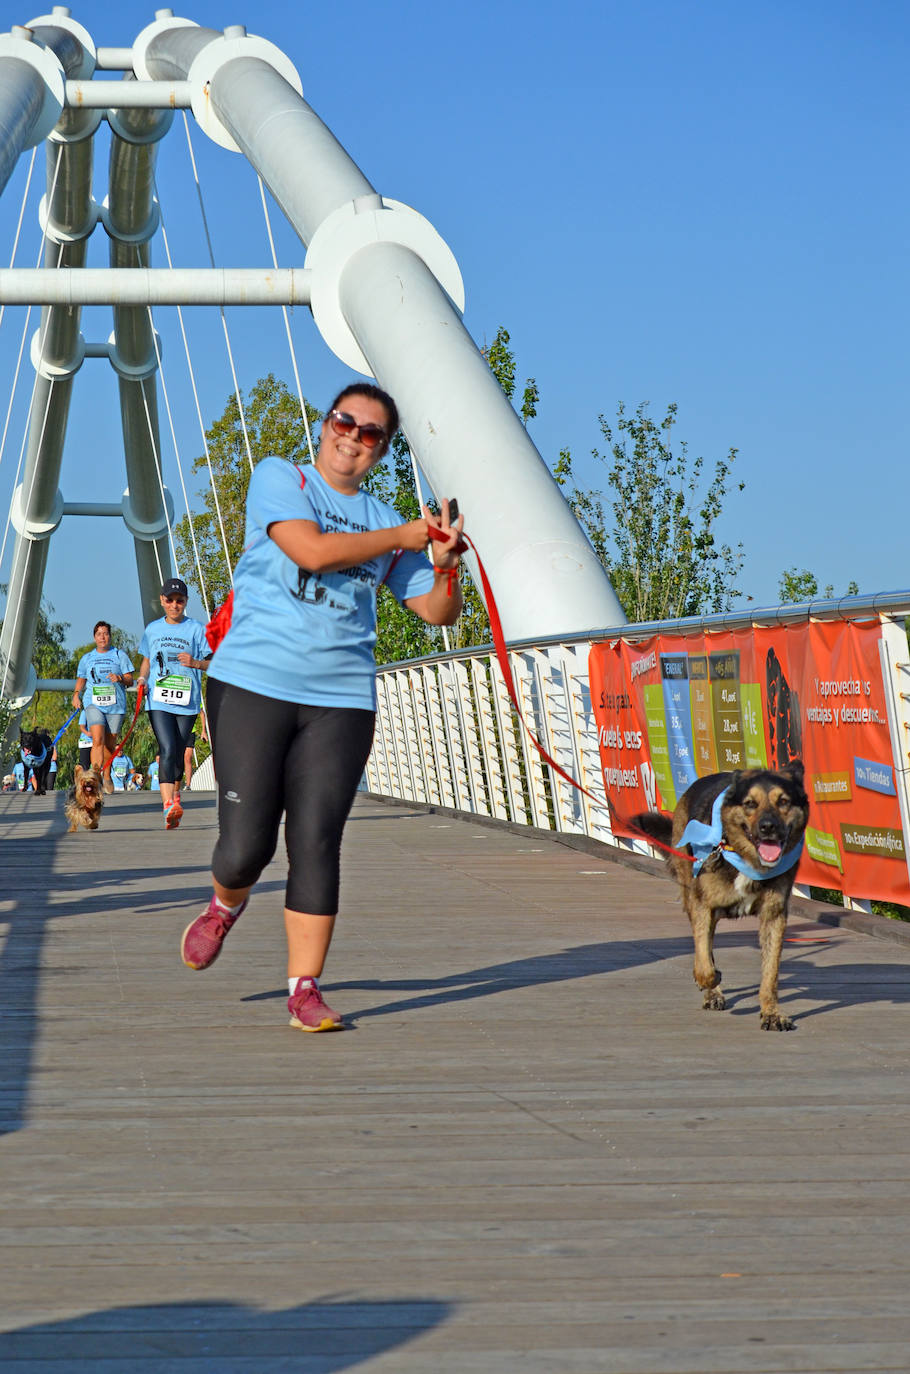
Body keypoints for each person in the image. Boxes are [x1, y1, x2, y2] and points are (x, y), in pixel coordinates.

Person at [179, 382, 463, 1033]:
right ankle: (225, 904)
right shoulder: (284, 480)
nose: (354, 438)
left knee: (316, 841)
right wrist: (405, 534)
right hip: (252, 684)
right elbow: (308, 550)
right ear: (326, 424)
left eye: (372, 434)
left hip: (339, 700)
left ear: (383, 449)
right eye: (347, 422)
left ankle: (304, 989)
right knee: (246, 847)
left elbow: (435, 612)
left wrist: (444, 563)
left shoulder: (387, 521)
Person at [137, 577, 211, 829]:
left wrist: (196, 663)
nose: (174, 605)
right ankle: (168, 804)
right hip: (158, 700)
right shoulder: (153, 629)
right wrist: (142, 678)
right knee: (167, 748)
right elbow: (146, 661)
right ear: (162, 601)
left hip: (187, 701)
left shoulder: (197, 629)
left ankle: (175, 799)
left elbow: (214, 662)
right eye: (170, 600)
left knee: (178, 753)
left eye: (179, 601)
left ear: (186, 602)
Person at [73, 621, 134, 795]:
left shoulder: (119, 655)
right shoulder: (87, 658)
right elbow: (81, 679)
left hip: (116, 704)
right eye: (99, 634)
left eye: (105, 633)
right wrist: (76, 694)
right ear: (94, 637)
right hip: (94, 703)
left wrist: (120, 678)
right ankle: (95, 776)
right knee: (97, 740)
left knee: (110, 743)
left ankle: (106, 775)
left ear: (110, 636)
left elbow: (130, 679)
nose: (102, 637)